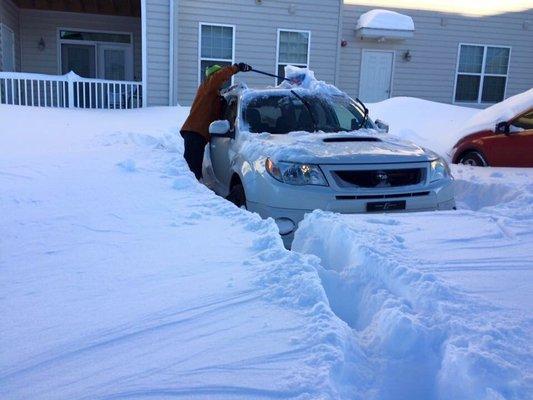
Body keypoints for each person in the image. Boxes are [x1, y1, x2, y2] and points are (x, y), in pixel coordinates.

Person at [181, 62, 252, 180]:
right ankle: (187, 194)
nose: (224, 81)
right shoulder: (207, 86)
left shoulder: (213, 94)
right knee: (191, 172)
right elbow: (219, 76)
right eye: (221, 77)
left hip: (198, 134)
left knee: (194, 170)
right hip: (194, 133)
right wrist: (236, 68)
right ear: (213, 76)